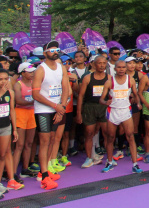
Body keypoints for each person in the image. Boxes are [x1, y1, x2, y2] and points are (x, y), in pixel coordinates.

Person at [32, 41, 70, 190]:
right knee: (45, 141)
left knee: (53, 138)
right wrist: (55, 106)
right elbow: (35, 94)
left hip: (57, 108)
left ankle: (46, 170)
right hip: (43, 109)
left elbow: (65, 88)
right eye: (52, 50)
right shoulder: (41, 70)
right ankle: (44, 177)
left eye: (57, 49)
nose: (55, 52)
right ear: (45, 53)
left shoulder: (61, 68)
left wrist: (62, 108)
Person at [99, 60, 143, 174]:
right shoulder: (109, 82)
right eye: (119, 67)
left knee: (130, 136)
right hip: (113, 111)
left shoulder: (130, 80)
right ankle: (109, 162)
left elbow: (136, 93)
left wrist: (138, 102)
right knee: (110, 137)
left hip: (125, 111)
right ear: (115, 69)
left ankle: (135, 164)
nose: (121, 69)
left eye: (123, 67)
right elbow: (101, 99)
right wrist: (105, 102)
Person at [76, 55, 108, 169]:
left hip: (104, 108)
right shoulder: (87, 78)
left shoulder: (109, 78)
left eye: (104, 63)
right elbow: (81, 96)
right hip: (90, 107)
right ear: (94, 64)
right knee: (89, 133)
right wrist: (78, 113)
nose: (102, 65)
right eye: (99, 63)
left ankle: (109, 158)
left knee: (107, 134)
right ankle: (89, 158)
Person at [13, 62, 36, 180]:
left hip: (31, 114)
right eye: (29, 72)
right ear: (22, 73)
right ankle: (12, 173)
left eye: (33, 72)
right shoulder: (18, 85)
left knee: (29, 143)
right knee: (20, 145)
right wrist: (33, 102)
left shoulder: (34, 83)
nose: (32, 74)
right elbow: (18, 100)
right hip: (20, 114)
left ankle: (25, 169)